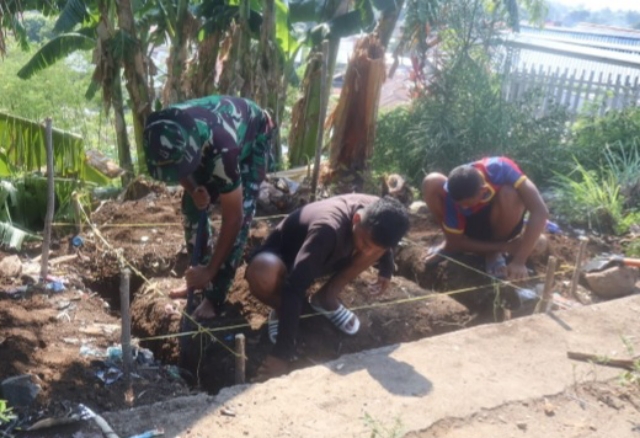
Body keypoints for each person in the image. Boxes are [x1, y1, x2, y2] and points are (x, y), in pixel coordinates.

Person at [245, 194, 410, 379]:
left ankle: (325, 298)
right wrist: (282, 353)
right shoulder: (328, 229)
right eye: (364, 242)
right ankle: (281, 308)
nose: (366, 251)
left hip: (321, 256)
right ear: (356, 219)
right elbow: (294, 287)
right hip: (286, 257)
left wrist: (386, 268)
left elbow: (382, 244)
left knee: (373, 248)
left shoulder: (381, 212)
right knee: (262, 274)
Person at [143, 95, 275, 319]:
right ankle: (199, 280)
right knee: (191, 206)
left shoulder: (223, 150)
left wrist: (211, 270)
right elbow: (178, 168)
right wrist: (194, 189)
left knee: (241, 217)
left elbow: (234, 218)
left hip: (253, 138)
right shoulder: (161, 128)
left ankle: (215, 296)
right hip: (209, 141)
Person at [421, 156, 549, 280]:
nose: (463, 208)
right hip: (472, 227)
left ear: (483, 191)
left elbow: (540, 211)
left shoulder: (502, 168)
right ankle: (489, 249)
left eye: (467, 204)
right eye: (460, 204)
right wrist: (505, 247)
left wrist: (519, 261)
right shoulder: (453, 195)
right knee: (432, 181)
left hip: (503, 222)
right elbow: (456, 241)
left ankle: (493, 252)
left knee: (509, 193)